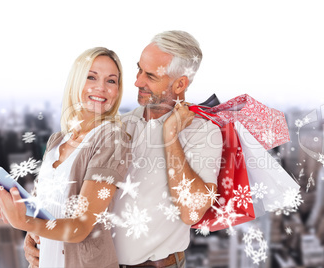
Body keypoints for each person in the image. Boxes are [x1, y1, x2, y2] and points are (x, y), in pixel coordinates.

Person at [24, 30, 223, 268]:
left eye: (150, 75)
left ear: (180, 83)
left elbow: (192, 212)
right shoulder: (120, 125)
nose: (138, 81)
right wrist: (37, 236)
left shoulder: (203, 133)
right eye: (138, 69)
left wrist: (170, 136)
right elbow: (71, 194)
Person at [0, 47, 131, 268]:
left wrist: (23, 222)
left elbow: (81, 227)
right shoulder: (57, 141)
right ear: (76, 80)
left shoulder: (112, 139)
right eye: (91, 77)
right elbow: (44, 211)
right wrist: (31, 232)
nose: (101, 88)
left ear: (117, 90)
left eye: (111, 81)